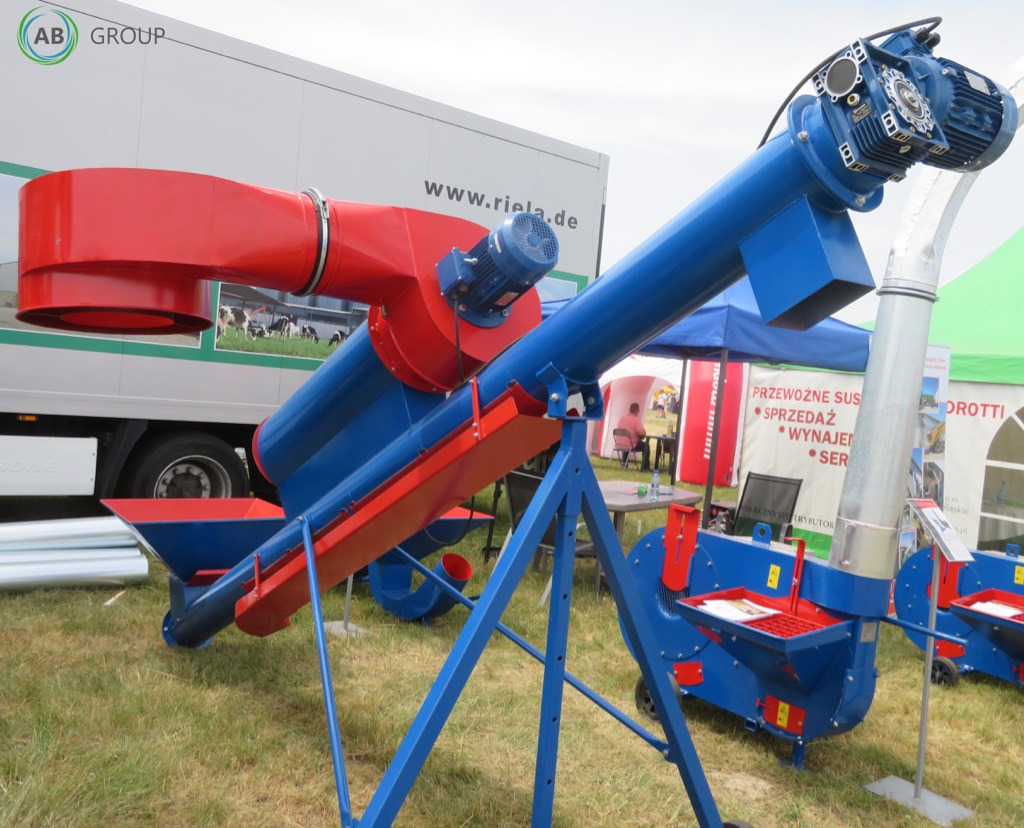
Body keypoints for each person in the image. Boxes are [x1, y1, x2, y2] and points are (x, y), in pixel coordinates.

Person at [617, 402, 650, 471]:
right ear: (637, 411)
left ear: (629, 409)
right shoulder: (636, 420)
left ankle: (624, 463)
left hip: (619, 444)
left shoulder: (622, 418)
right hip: (631, 445)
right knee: (646, 446)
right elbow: (642, 433)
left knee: (626, 441)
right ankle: (645, 466)